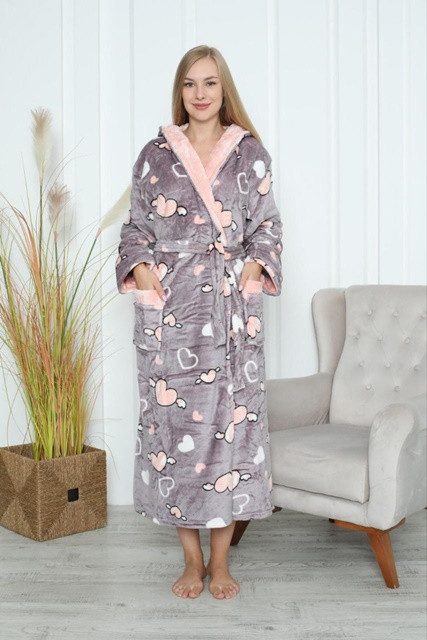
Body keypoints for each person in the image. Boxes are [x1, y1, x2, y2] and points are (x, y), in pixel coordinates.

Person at [115, 44, 283, 600]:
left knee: (232, 431)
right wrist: (143, 271)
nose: (200, 94)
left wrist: (253, 268)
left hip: (231, 313)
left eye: (210, 82)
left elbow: (267, 225)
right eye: (190, 84)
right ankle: (191, 560)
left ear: (223, 88)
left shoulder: (250, 154)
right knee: (175, 436)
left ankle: (222, 561)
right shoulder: (156, 155)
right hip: (172, 312)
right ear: (180, 91)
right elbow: (136, 227)